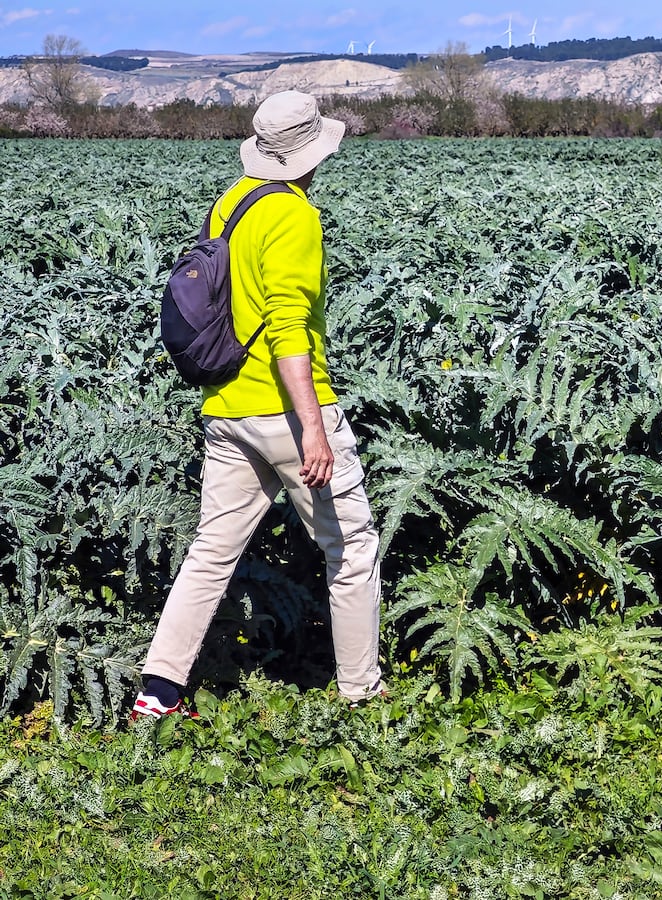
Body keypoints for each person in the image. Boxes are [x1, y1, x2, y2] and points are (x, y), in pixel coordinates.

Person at [132, 90, 385, 719]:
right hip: (287, 414)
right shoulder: (295, 215)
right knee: (350, 548)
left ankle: (157, 695)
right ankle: (361, 696)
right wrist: (314, 429)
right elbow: (287, 327)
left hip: (226, 408)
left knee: (211, 552)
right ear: (312, 151)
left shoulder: (232, 203)